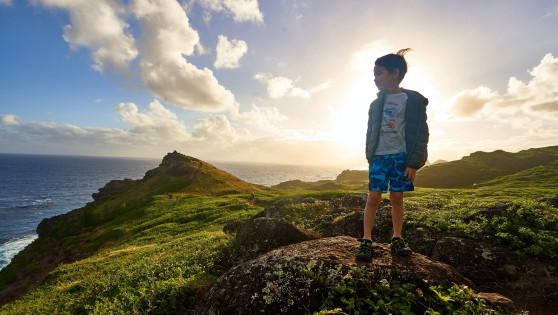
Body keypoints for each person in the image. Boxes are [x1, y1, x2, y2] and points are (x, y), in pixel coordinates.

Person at [356, 48, 429, 260]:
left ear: (394, 73)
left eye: (379, 73)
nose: (375, 79)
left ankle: (397, 238)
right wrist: (370, 156)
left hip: (400, 157)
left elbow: (420, 133)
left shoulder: (412, 101)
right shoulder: (376, 104)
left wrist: (414, 163)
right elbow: (370, 132)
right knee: (373, 197)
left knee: (397, 197)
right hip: (379, 156)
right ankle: (366, 240)